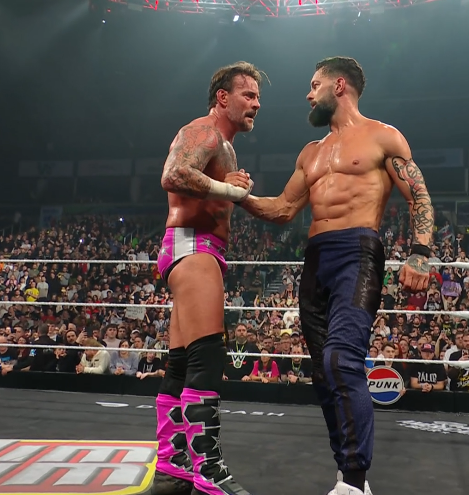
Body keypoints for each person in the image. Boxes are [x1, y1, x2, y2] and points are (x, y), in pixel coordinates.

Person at [238, 56, 433, 495]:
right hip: (316, 259)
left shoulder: (383, 136)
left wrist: (420, 253)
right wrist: (238, 195)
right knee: (324, 374)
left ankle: (355, 481)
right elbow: (283, 209)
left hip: (357, 253)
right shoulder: (311, 152)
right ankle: (348, 474)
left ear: (339, 85)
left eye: (314, 85)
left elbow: (418, 195)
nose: (308, 94)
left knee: (340, 360)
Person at [153, 61, 263, 495]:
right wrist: (228, 189)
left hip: (198, 248)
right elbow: (174, 174)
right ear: (223, 97)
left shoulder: (226, 147)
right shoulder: (203, 131)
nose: (256, 104)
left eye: (257, 97)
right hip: (192, 244)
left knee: (182, 360)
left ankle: (172, 462)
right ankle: (208, 469)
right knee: (208, 356)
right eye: (248, 95)